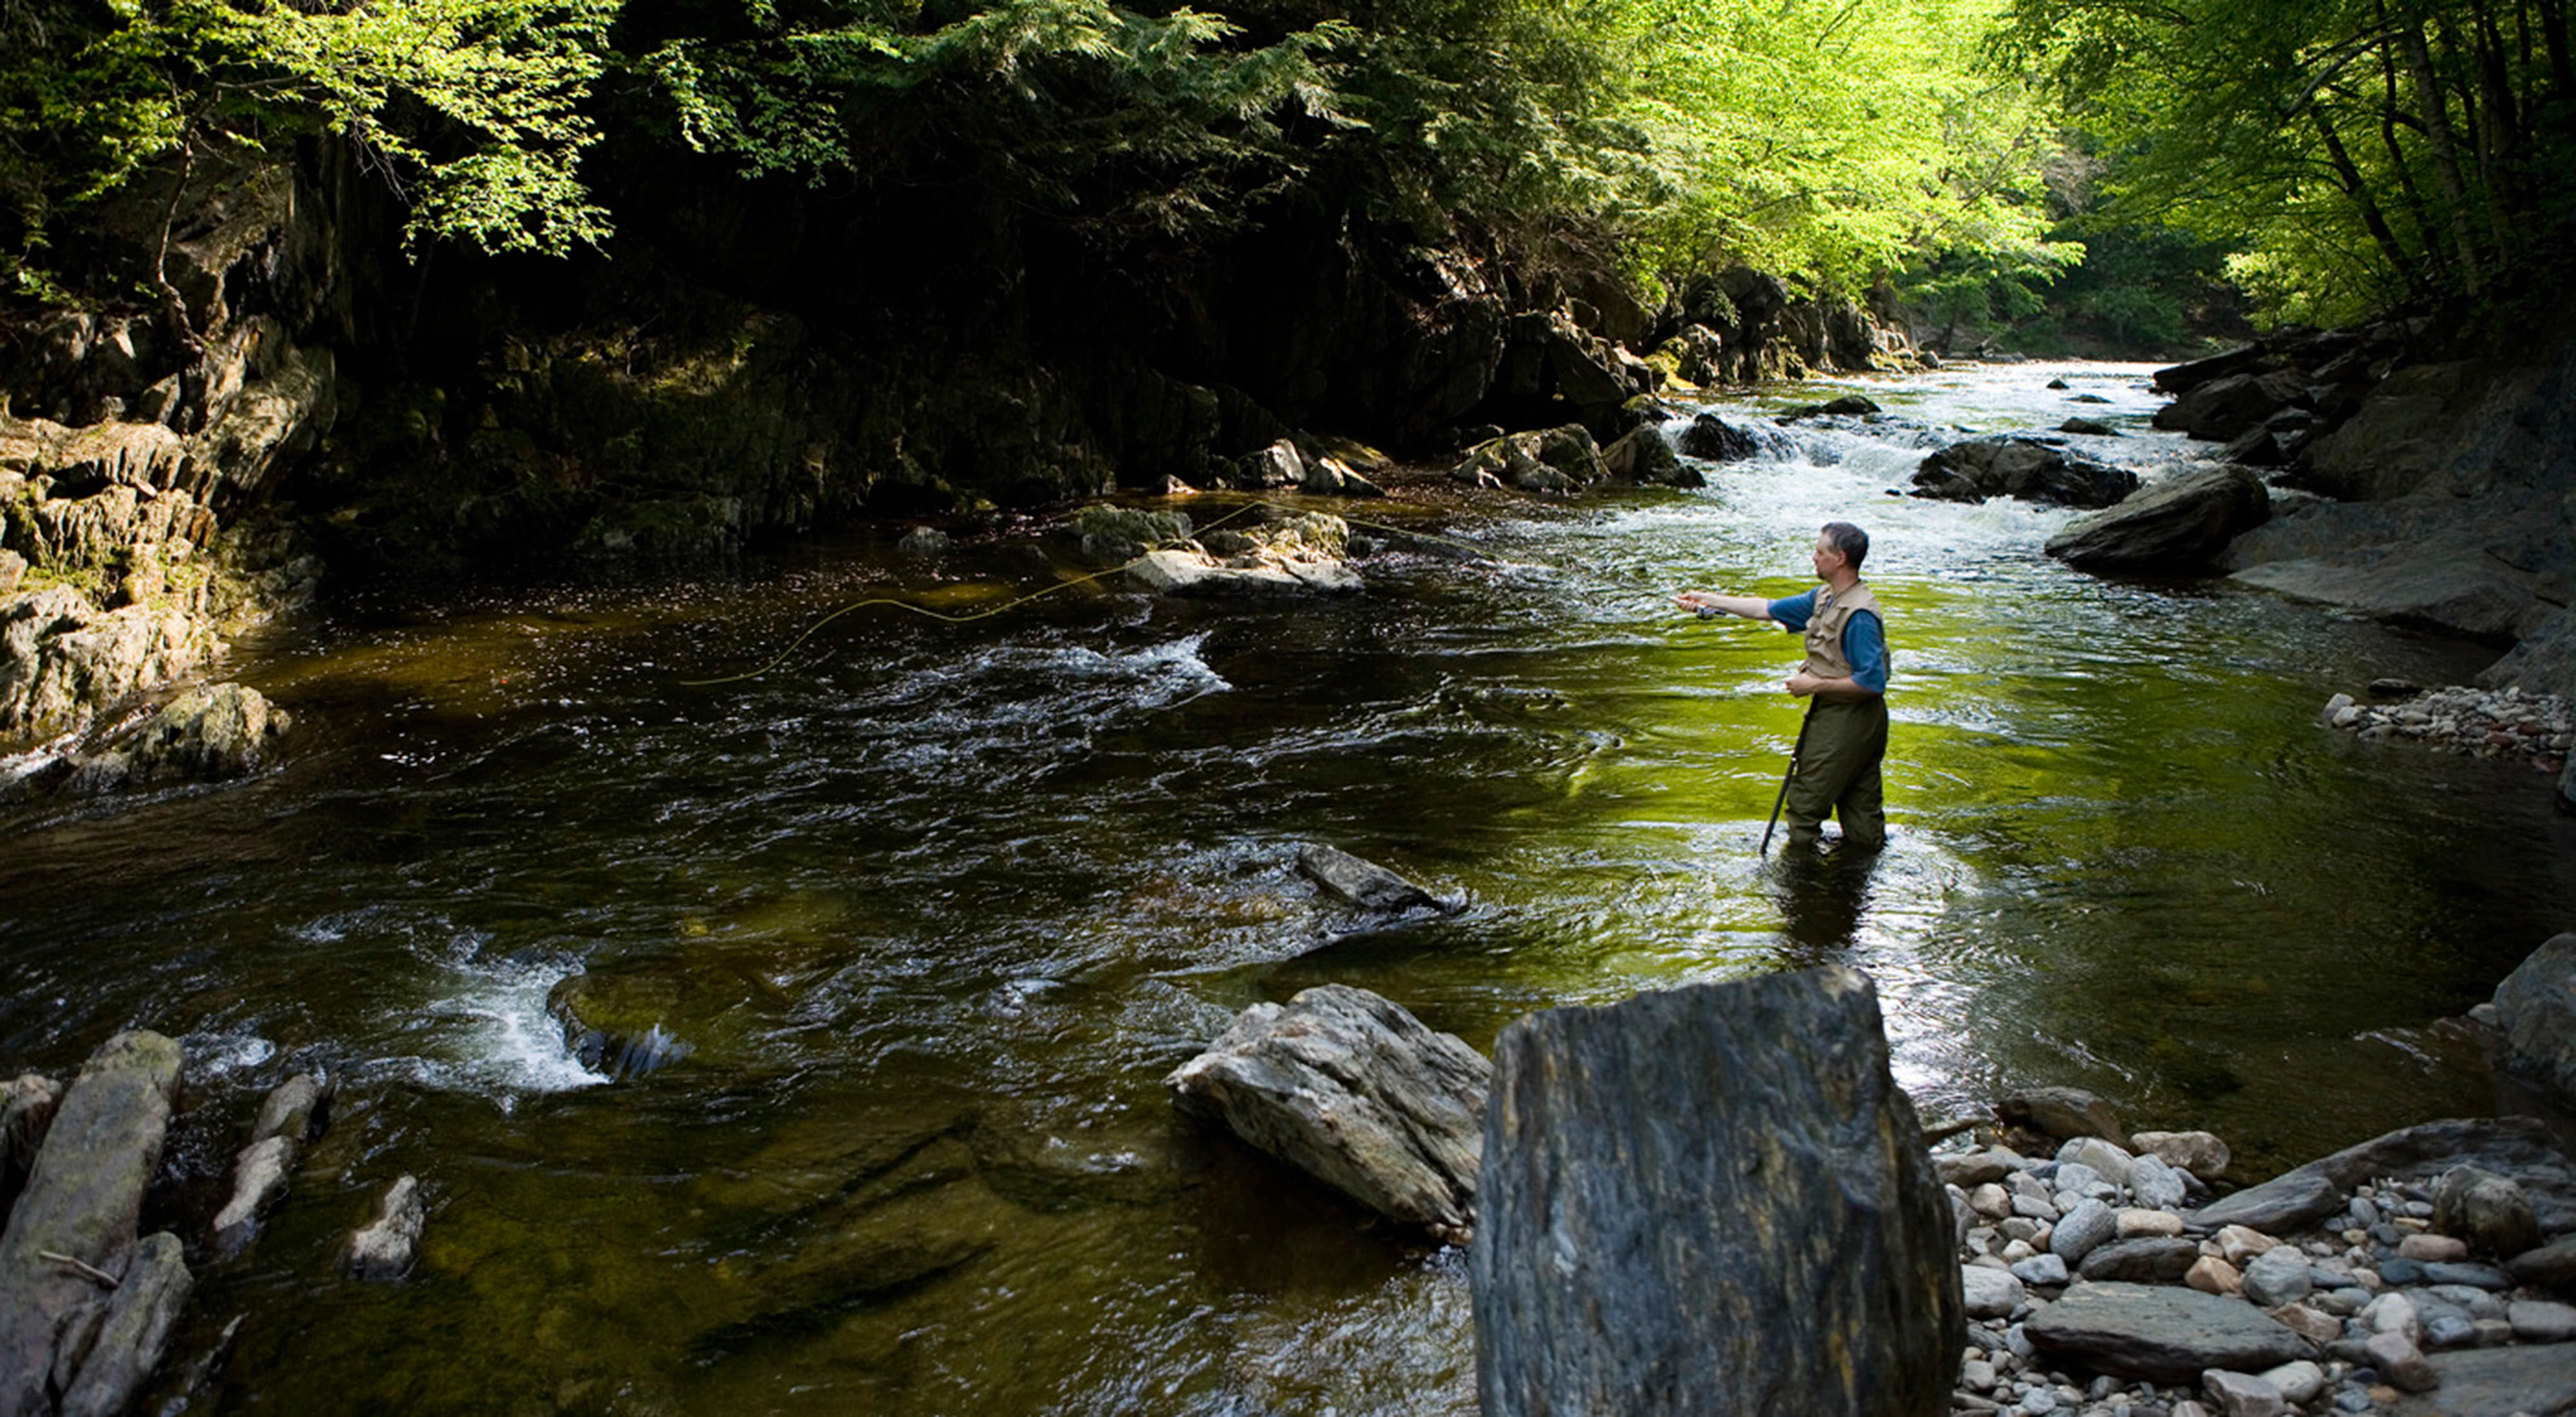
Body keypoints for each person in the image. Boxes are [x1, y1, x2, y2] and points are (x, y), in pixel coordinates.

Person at [1674, 521, 1889, 850]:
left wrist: (1813, 684)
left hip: (1847, 721)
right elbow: (1765, 608)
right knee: (1862, 813)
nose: (1813, 557)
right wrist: (1708, 600)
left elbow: (1872, 683)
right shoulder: (1825, 597)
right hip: (1849, 719)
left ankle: (1799, 891)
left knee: (1804, 808)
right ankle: (1855, 888)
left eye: (1820, 551)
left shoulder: (1859, 615)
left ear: (1841, 558)